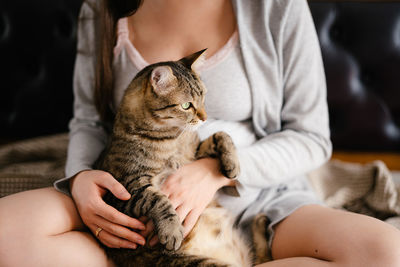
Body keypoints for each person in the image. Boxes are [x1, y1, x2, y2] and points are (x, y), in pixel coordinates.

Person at [1, 0, 400, 266]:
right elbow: (88, 121)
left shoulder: (278, 8)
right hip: (131, 202)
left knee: (386, 252)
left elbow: (312, 139)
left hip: (256, 199)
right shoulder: (102, 10)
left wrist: (213, 172)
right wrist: (81, 178)